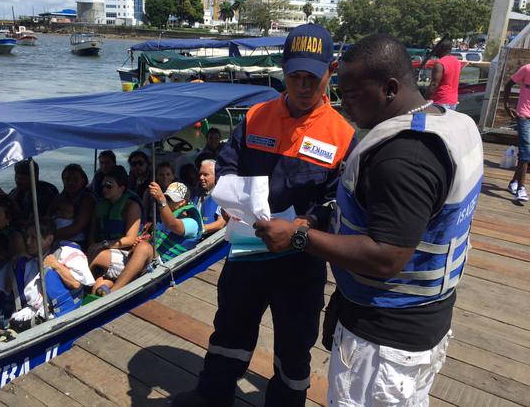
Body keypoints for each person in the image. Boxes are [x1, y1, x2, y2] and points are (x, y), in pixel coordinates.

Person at [253, 34, 484, 407]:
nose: (345, 106)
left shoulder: (403, 158)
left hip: (385, 341)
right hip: (425, 320)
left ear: (390, 88)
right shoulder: (454, 124)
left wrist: (299, 237)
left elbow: (385, 257)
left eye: (353, 95)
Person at [173, 24, 357, 407]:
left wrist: (300, 228)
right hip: (247, 248)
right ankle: (212, 395)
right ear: (282, 70)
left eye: (313, 77)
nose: (303, 86)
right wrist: (225, 193)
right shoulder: (256, 117)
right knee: (230, 328)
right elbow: (226, 166)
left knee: (294, 344)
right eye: (294, 76)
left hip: (301, 259)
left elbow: (335, 203)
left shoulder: (343, 135)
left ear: (331, 70)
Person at [96, 181, 202, 295]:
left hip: (161, 268)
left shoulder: (192, 223)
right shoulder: (162, 218)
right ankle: (81, 292)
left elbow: (172, 224)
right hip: (142, 262)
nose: (166, 201)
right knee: (99, 256)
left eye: (170, 199)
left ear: (182, 203)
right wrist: (141, 239)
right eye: (166, 197)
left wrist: (161, 199)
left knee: (144, 248)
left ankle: (113, 294)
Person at [9, 218, 95, 331]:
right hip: (33, 313)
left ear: (49, 239)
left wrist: (56, 265)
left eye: (34, 238)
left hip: (60, 315)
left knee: (49, 272)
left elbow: (76, 284)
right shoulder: (29, 263)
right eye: (27, 238)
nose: (28, 242)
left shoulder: (66, 253)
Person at [88, 165, 143, 289]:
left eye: (109, 186)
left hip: (125, 254)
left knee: (97, 254)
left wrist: (103, 245)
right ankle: (102, 287)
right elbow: (92, 233)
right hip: (105, 251)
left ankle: (75, 287)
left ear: (121, 188)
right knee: (98, 287)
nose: (104, 189)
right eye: (103, 185)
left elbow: (130, 239)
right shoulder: (100, 206)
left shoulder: (131, 206)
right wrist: (92, 245)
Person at [0, 159, 58, 226]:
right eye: (16, 177)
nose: (17, 181)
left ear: (34, 177)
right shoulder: (16, 191)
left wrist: (11, 201)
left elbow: (31, 222)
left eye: (22, 179)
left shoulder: (45, 193)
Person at [48, 163, 96, 248]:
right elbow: (47, 217)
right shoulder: (59, 197)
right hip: (53, 239)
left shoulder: (87, 199)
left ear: (83, 180)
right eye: (67, 179)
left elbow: (76, 228)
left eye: (75, 179)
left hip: (75, 242)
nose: (71, 182)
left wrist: (48, 236)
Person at [503, 63, 530, 202]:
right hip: (524, 116)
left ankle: (513, 182)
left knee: (526, 152)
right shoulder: (527, 69)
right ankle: (521, 188)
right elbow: (508, 84)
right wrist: (506, 105)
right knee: (526, 151)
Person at [426, 38, 461, 110]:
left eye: (436, 48)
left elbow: (434, 85)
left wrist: (423, 99)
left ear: (442, 49)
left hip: (440, 101)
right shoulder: (457, 61)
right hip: (453, 101)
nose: (435, 50)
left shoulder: (439, 64)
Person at [193, 160, 226, 236]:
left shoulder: (223, 196)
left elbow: (221, 223)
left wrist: (200, 229)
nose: (201, 177)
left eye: (205, 174)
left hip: (213, 243)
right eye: (200, 174)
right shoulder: (196, 195)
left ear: (216, 175)